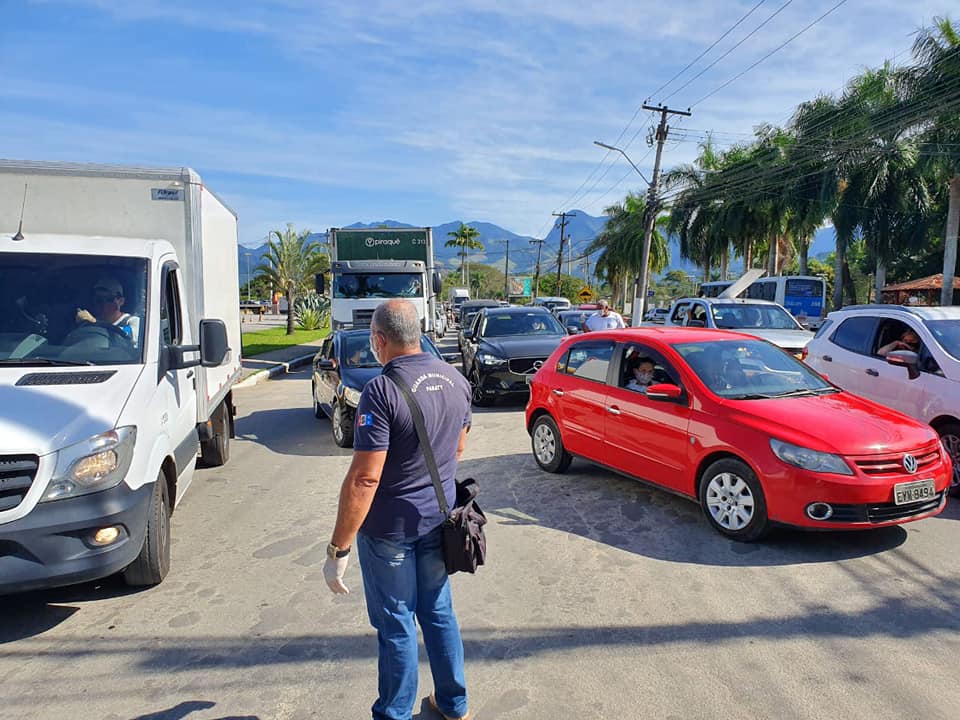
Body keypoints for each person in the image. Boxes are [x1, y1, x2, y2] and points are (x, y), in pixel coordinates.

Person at [323, 299, 472, 720]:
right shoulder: (455, 379)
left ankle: (394, 714)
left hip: (390, 531)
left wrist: (338, 550)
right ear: (419, 332)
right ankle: (453, 704)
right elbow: (458, 448)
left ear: (379, 340)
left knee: (396, 624)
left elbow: (365, 479)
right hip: (438, 520)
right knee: (439, 612)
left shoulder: (381, 391)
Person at [75, 277, 140, 346]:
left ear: (121, 301)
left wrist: (95, 323)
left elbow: (126, 333)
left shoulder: (131, 321)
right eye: (99, 300)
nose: (104, 304)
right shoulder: (89, 324)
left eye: (110, 299)